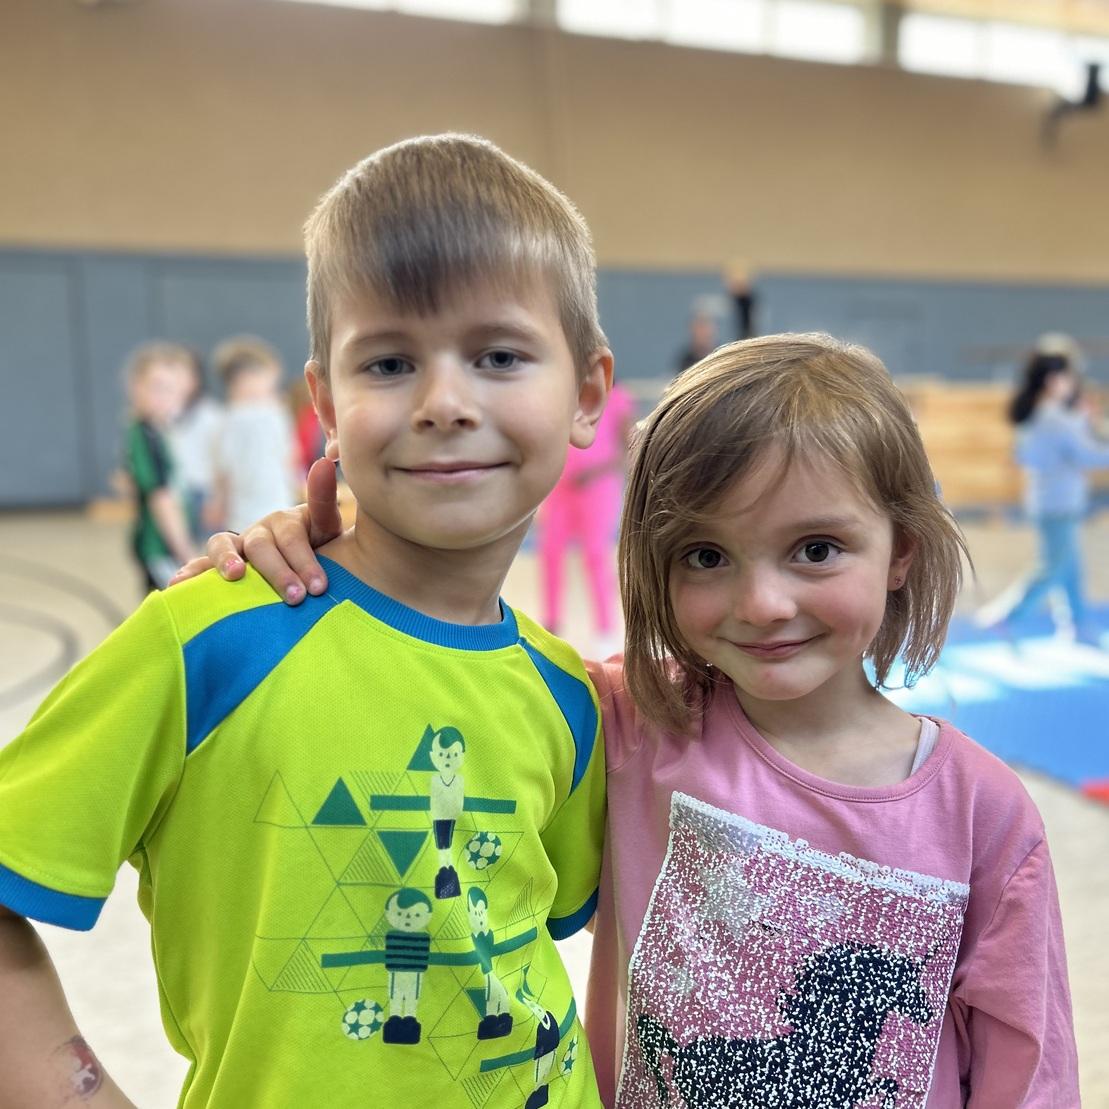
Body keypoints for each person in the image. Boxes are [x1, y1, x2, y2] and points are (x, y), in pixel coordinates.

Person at [197, 333, 1079, 1107]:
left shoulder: (983, 814)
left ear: (900, 551)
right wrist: (321, 561)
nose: (762, 602)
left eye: (816, 549)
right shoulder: (626, 720)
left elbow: (1029, 1073)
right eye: (706, 556)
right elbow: (440, 679)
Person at [0, 134, 613, 1109]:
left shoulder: (569, 695)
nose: (444, 402)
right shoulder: (212, 634)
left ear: (585, 393)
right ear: (324, 399)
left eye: (498, 354)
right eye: (389, 361)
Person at [977, 345, 1109, 645]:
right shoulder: (1053, 417)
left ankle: (1077, 625)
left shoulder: (1042, 414)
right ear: (1054, 379)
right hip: (1057, 502)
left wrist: (1083, 420)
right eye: (1069, 377)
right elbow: (1087, 454)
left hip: (1052, 499)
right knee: (1054, 566)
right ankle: (1006, 616)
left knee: (1070, 565)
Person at [537, 378, 635, 657]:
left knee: (595, 556)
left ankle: (605, 630)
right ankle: (551, 624)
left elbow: (627, 449)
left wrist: (595, 471)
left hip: (597, 490)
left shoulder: (616, 398)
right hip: (561, 488)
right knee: (551, 553)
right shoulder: (563, 396)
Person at [120, 341, 197, 592]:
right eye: (157, 387)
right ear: (135, 388)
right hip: (160, 546)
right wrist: (185, 551)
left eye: (172, 389)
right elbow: (160, 498)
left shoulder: (160, 432)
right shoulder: (145, 436)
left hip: (164, 545)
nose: (165, 397)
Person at [208, 335, 298, 534]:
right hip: (266, 509)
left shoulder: (224, 420)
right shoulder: (270, 413)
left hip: (248, 514)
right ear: (246, 379)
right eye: (270, 383)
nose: (273, 390)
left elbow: (222, 473)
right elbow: (290, 456)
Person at [167, 346, 224, 541]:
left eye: (182, 374)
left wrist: (216, 499)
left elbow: (220, 462)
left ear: (196, 378)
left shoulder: (211, 415)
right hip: (176, 494)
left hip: (201, 494)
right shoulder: (166, 415)